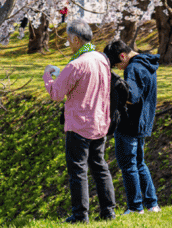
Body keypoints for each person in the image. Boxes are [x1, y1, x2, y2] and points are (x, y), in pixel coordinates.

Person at [43, 20, 116, 223]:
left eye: (68, 39)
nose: (68, 43)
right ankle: (108, 211)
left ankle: (80, 214)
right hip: (99, 121)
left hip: (79, 123)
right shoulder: (101, 58)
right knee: (100, 166)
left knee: (78, 170)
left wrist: (47, 76)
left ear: (76, 39)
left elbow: (57, 93)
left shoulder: (76, 64)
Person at [102, 40, 161, 215]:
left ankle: (135, 207)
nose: (118, 68)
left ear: (122, 56)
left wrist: (115, 82)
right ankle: (152, 204)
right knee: (140, 163)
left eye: (116, 65)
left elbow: (132, 97)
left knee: (128, 165)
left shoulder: (133, 68)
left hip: (129, 123)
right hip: (143, 122)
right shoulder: (147, 63)